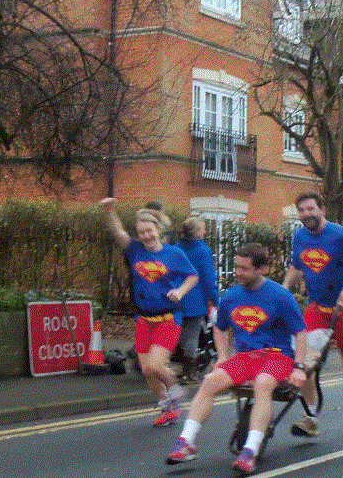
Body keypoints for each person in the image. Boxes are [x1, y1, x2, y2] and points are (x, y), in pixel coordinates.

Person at [166, 243, 308, 474]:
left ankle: (249, 452)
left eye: (245, 268)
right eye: (236, 267)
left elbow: (300, 333)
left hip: (277, 356)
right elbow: (220, 328)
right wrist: (222, 356)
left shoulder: (280, 296)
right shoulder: (231, 296)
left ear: (261, 269)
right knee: (210, 381)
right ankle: (186, 444)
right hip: (245, 357)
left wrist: (299, 367)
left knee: (263, 383)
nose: (238, 272)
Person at [283, 191, 343, 435]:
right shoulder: (300, 236)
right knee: (305, 360)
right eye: (302, 210)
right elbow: (296, 265)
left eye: (310, 209)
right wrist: (282, 293)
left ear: (322, 209)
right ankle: (311, 417)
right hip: (317, 307)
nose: (306, 215)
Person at [99, 198, 198, 426]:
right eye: (141, 232)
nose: (146, 236)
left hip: (168, 318)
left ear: (159, 230)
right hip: (144, 318)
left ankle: (174, 387)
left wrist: (180, 292)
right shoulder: (135, 250)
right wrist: (110, 211)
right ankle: (167, 409)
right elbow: (118, 232)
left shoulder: (173, 253)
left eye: (149, 231)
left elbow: (193, 275)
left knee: (155, 365)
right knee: (146, 370)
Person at [176, 217, 219, 384]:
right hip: (196, 298)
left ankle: (183, 370)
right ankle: (189, 372)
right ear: (196, 231)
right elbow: (208, 278)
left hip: (177, 296)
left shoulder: (177, 248)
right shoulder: (203, 250)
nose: (205, 232)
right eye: (203, 229)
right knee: (192, 336)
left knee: (180, 335)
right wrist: (215, 300)